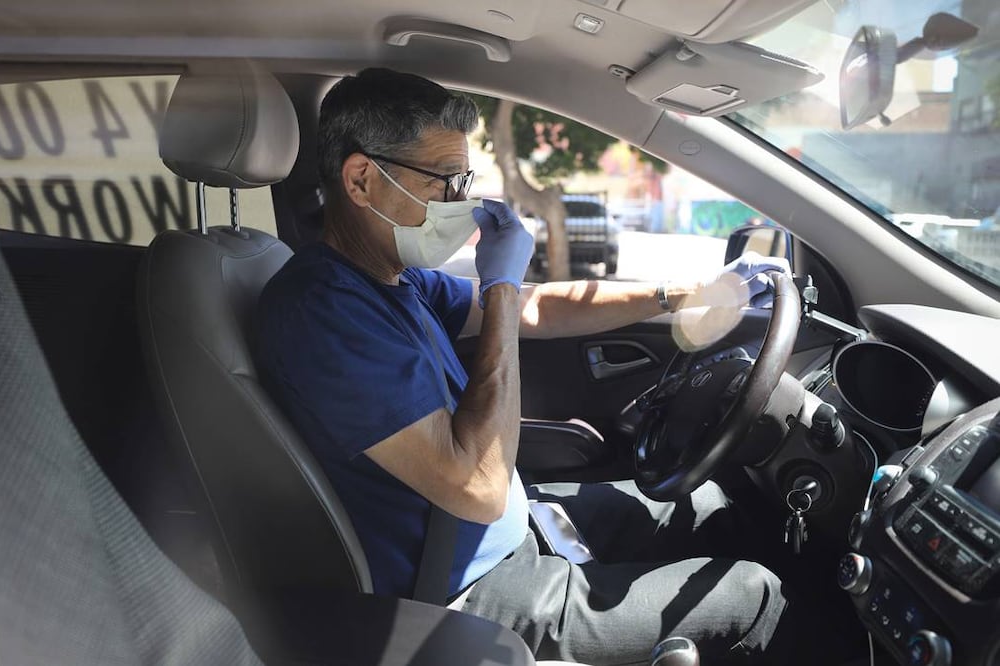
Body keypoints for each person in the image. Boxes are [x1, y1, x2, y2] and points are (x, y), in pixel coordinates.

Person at [254, 68, 797, 665]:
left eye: (465, 181)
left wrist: (685, 293)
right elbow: (479, 486)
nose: (462, 204)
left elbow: (538, 309)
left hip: (510, 533)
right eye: (445, 181)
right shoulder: (325, 311)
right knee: (752, 595)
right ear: (361, 180)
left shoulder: (391, 279)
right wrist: (503, 289)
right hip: (462, 593)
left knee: (713, 507)